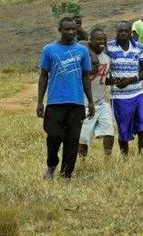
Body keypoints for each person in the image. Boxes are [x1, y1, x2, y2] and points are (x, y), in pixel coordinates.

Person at [37, 17, 95, 179]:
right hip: (55, 103)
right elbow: (43, 76)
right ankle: (51, 165)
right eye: (67, 29)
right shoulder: (49, 50)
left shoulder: (82, 51)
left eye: (74, 29)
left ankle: (66, 174)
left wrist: (90, 101)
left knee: (72, 140)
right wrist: (40, 101)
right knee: (54, 136)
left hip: (76, 103)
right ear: (60, 30)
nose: (71, 32)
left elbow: (85, 76)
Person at [106, 21, 143, 156]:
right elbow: (102, 68)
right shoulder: (109, 48)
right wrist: (112, 80)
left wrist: (131, 80)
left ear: (131, 32)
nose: (123, 33)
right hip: (119, 96)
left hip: (137, 93)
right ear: (116, 32)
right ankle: (125, 157)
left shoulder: (139, 47)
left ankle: (141, 152)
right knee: (123, 129)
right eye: (120, 31)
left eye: (126, 30)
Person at [78, 28, 115, 159]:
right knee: (83, 138)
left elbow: (104, 78)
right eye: (98, 39)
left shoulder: (106, 59)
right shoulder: (84, 56)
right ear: (91, 41)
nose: (102, 42)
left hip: (100, 100)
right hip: (85, 103)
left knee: (109, 130)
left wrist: (116, 81)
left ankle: (108, 158)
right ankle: (82, 161)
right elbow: (80, 43)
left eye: (104, 39)